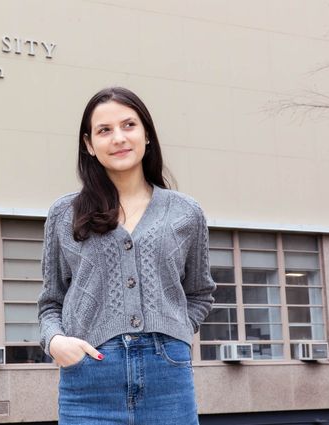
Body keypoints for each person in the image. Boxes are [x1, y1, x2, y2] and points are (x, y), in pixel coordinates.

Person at [37, 87, 216, 425]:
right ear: (89, 145)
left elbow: (200, 294)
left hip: (168, 377)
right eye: (104, 130)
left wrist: (174, 332)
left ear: (146, 135)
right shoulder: (65, 213)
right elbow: (50, 302)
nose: (118, 137)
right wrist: (56, 341)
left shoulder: (185, 212)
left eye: (129, 125)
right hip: (89, 378)